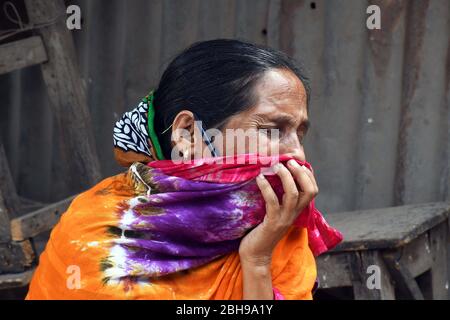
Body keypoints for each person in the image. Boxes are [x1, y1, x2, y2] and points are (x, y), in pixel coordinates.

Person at [26, 39, 342, 300]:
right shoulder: (95, 233)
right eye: (273, 131)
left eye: (300, 134)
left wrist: (257, 260)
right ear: (187, 133)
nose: (297, 154)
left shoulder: (278, 230)